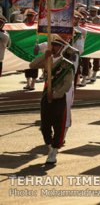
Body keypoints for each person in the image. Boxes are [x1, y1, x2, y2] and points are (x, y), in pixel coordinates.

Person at [29, 34, 75, 164]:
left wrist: (54, 95)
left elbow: (67, 84)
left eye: (57, 46)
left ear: (62, 48)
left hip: (58, 97)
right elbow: (32, 65)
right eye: (53, 45)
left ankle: (54, 150)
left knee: (58, 125)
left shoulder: (66, 65)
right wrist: (45, 56)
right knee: (45, 125)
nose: (54, 47)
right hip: (45, 94)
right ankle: (49, 146)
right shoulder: (48, 59)